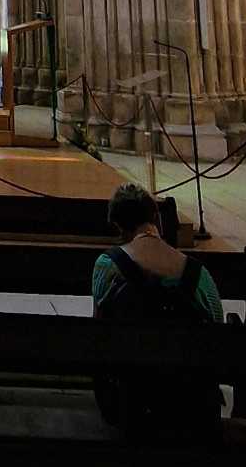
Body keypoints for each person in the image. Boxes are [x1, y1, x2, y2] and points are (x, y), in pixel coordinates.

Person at [90, 182, 225, 433]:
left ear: (119, 228)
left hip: (129, 407)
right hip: (191, 409)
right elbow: (216, 335)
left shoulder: (108, 266)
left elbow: (100, 337)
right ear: (158, 219)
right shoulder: (198, 274)